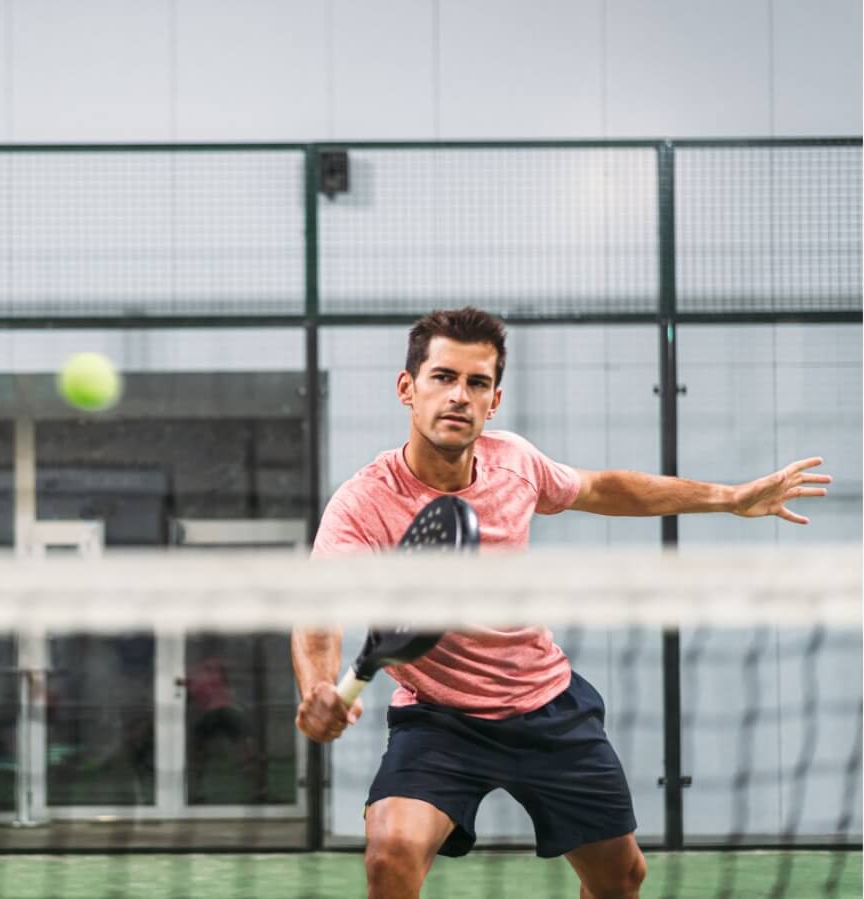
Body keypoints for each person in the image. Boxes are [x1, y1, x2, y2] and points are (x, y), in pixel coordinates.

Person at [292, 307, 831, 899]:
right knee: (390, 853)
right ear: (408, 389)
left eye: (477, 383)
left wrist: (729, 497)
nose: (459, 396)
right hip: (439, 718)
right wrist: (319, 686)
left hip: (546, 705)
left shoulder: (514, 463)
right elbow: (320, 609)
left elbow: (606, 488)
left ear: (494, 401)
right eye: (443, 377)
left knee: (621, 879)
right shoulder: (363, 503)